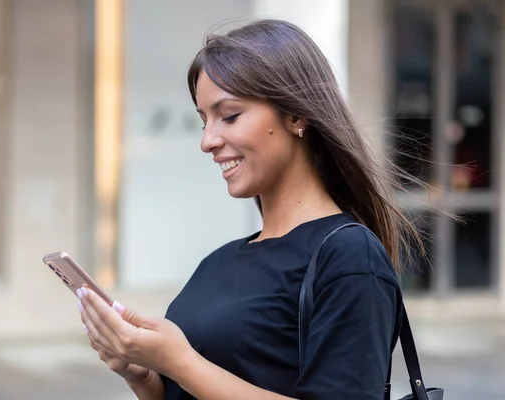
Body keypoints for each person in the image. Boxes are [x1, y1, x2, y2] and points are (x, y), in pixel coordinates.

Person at [76, 19, 423, 400]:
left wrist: (180, 362)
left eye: (229, 116)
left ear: (296, 116)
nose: (208, 141)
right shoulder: (219, 262)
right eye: (203, 120)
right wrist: (144, 376)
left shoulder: (350, 256)